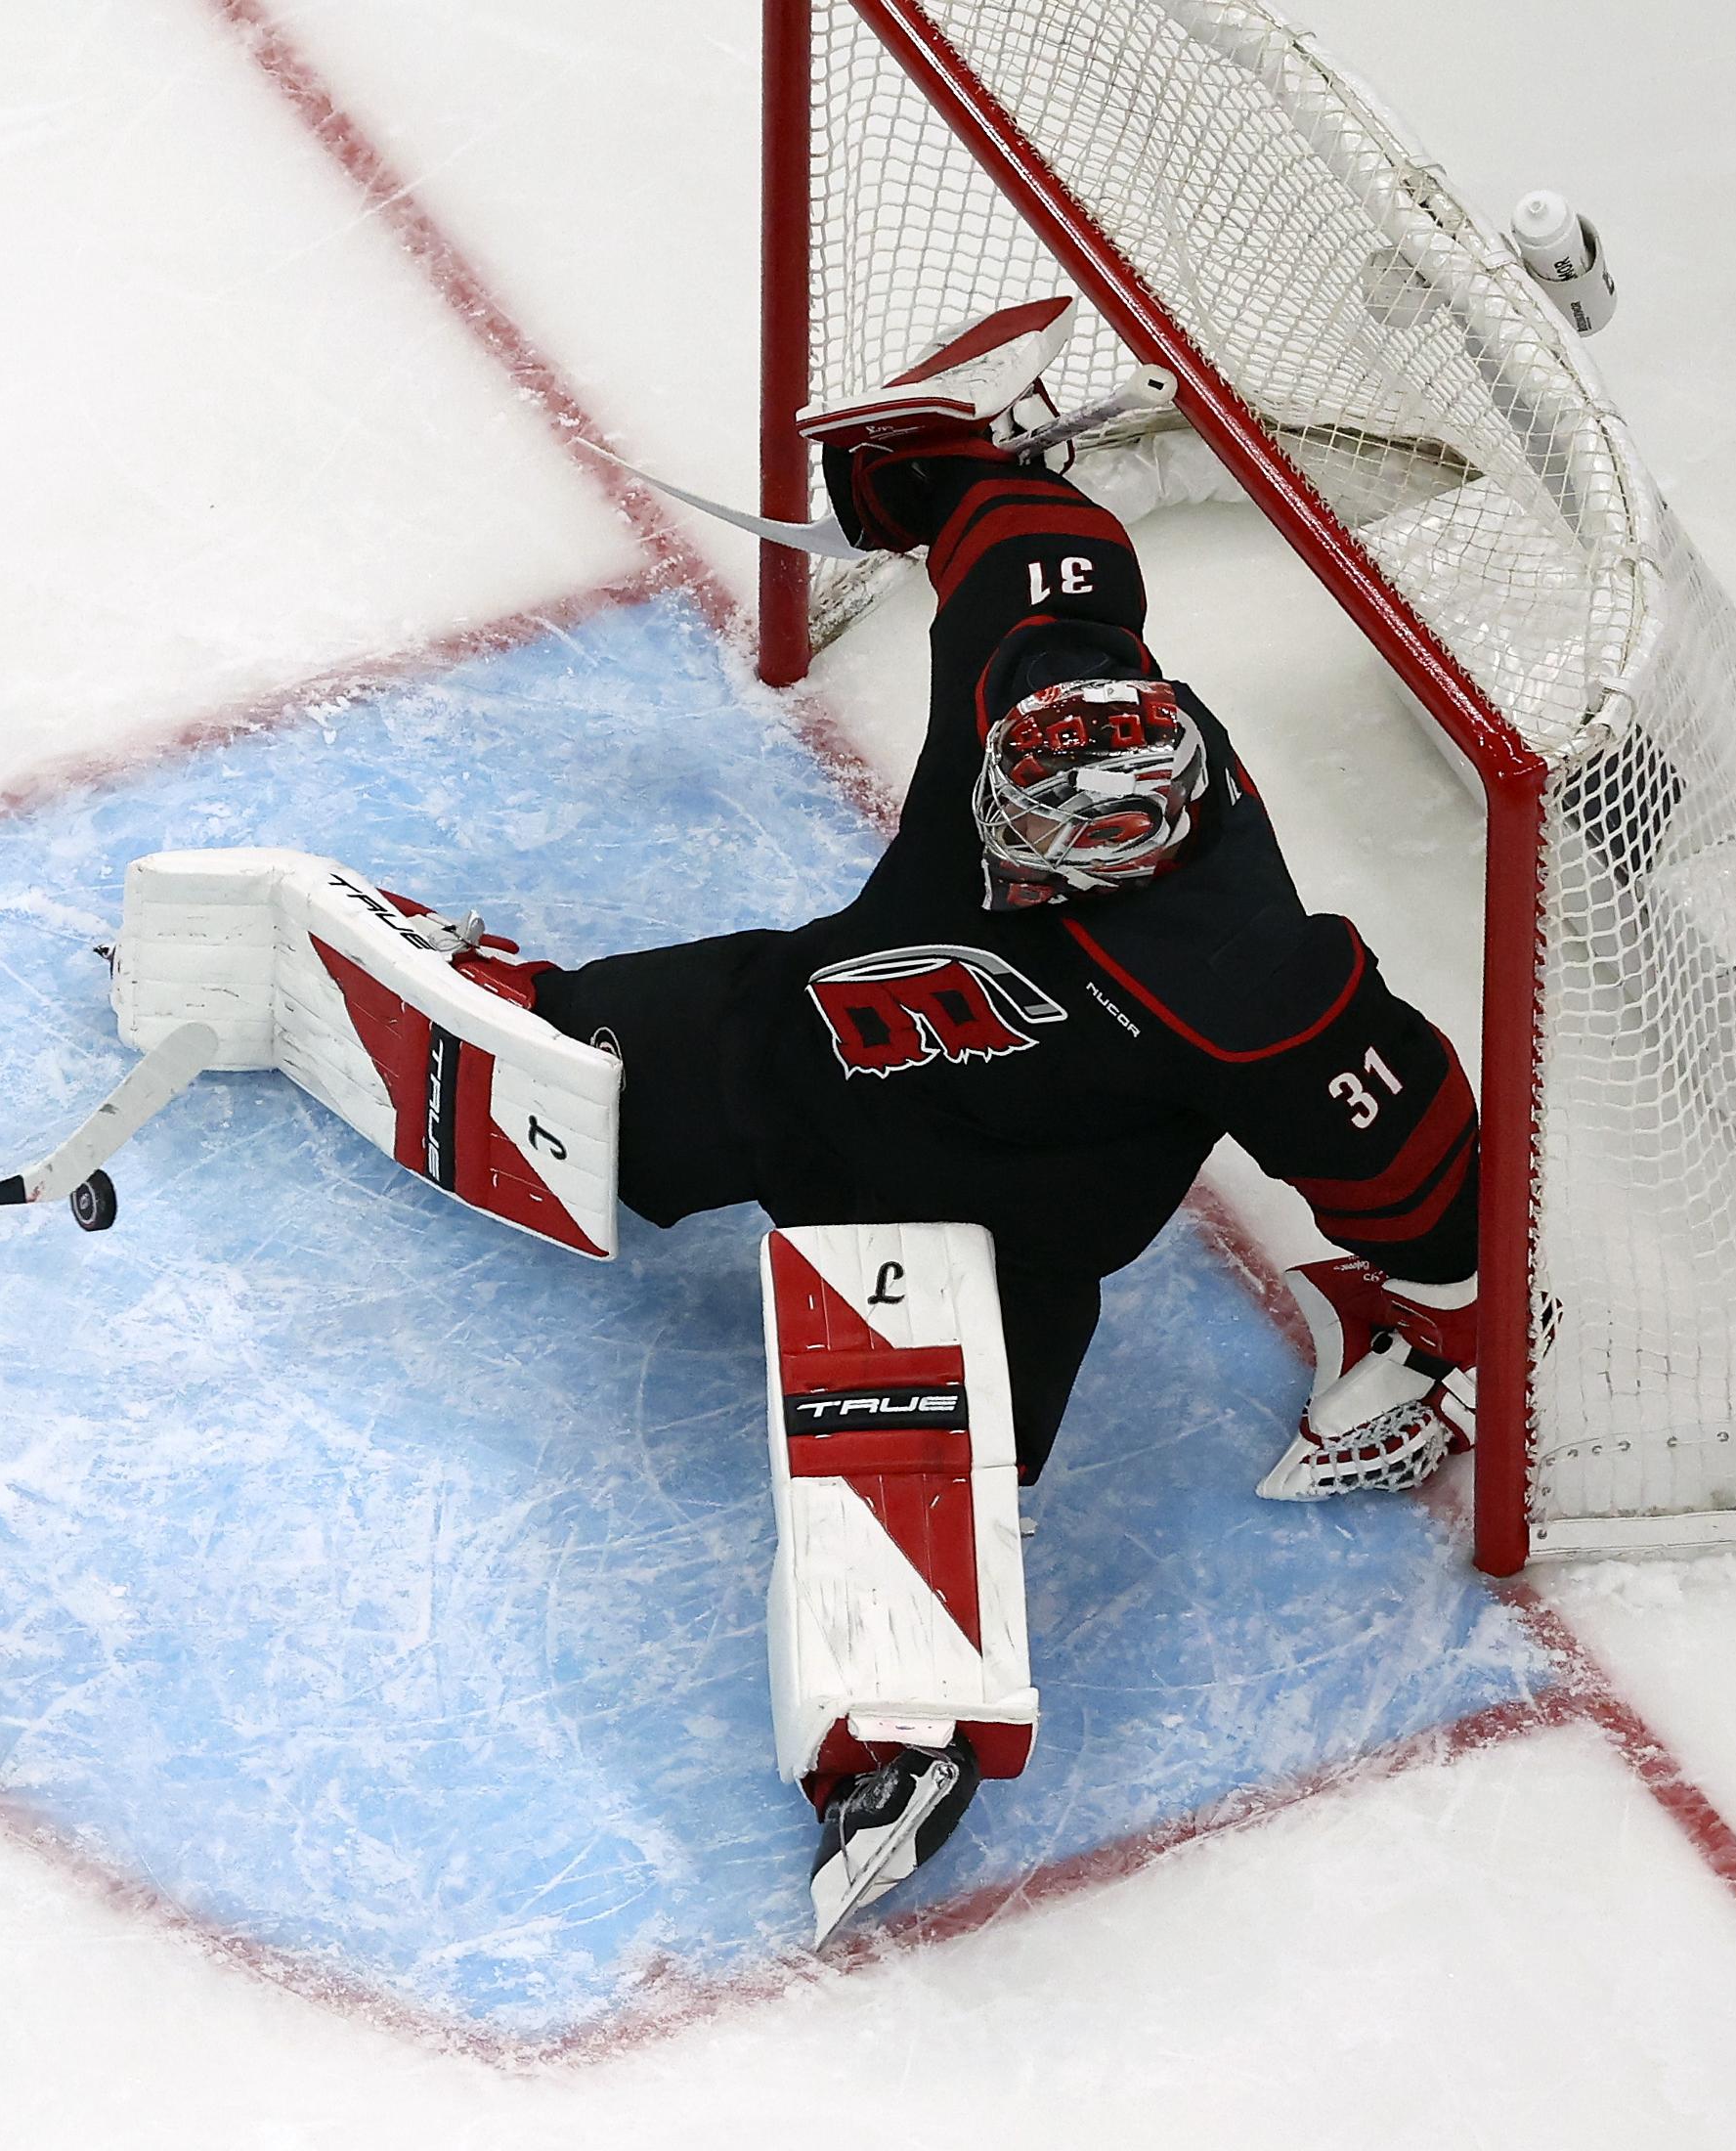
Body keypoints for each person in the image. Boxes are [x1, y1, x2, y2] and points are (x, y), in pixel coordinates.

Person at [523, 304, 1490, 1925]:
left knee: (917, 1502)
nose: (1006, 855)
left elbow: (1412, 1158)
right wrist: (942, 466)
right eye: (1004, 822)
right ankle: (508, 1011)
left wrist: (1442, 1318)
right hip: (783, 1050)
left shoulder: (1254, 982)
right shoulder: (1040, 688)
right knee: (553, 1051)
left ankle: (894, 1742)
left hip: (992, 1239)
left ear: (1135, 855)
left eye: (1044, 858)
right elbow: (1038, 548)